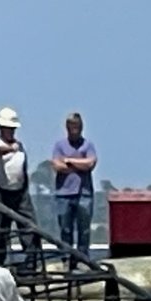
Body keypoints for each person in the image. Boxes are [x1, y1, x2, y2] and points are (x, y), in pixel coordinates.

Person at [0, 106, 38, 272]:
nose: (11, 131)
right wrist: (10, 148)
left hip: (19, 191)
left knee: (28, 224)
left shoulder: (20, 146)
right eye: (8, 128)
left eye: (12, 129)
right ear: (1, 128)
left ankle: (31, 261)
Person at [51, 112, 98, 266]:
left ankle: (83, 259)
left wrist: (69, 161)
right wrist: (80, 165)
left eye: (77, 126)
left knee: (84, 230)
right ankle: (66, 259)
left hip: (84, 193)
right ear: (67, 128)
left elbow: (90, 164)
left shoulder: (88, 145)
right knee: (65, 229)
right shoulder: (59, 145)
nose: (74, 130)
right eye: (71, 127)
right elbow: (57, 165)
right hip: (64, 193)